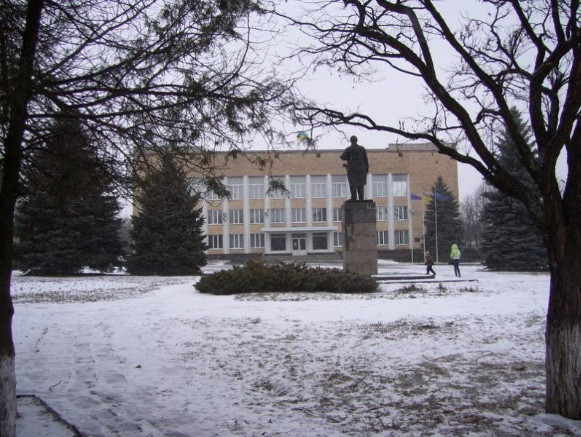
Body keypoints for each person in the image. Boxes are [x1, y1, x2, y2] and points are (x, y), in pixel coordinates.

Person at [340, 135, 369, 201]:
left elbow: (342, 157)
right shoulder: (362, 148)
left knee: (353, 184)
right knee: (360, 184)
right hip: (361, 169)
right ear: (356, 140)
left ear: (351, 141)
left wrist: (349, 158)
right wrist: (366, 169)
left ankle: (354, 198)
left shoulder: (349, 149)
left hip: (352, 169)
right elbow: (366, 159)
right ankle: (361, 198)